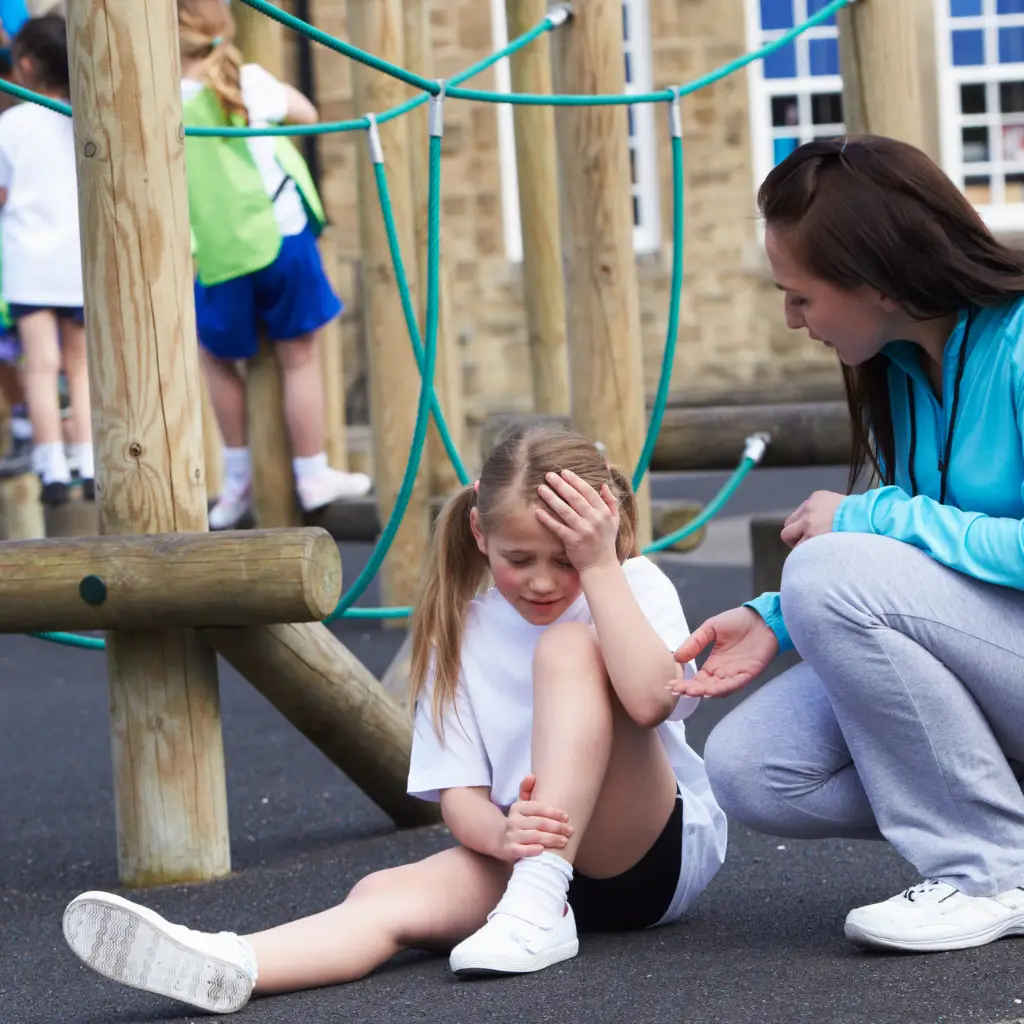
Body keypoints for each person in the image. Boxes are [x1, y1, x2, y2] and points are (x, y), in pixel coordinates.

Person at [59, 424, 727, 1014]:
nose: (545, 582)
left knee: (569, 648)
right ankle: (230, 962)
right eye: (520, 559)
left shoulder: (631, 584)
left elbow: (650, 701)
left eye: (566, 560)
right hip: (521, 861)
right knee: (383, 894)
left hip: (640, 857)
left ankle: (542, 901)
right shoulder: (460, 630)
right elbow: (460, 798)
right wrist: (502, 836)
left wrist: (602, 564)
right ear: (479, 532)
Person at [669, 134, 1024, 955]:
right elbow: (916, 573)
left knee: (830, 561)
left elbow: (876, 544)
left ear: (877, 283)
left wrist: (874, 519)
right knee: (754, 767)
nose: (792, 320)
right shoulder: (901, 367)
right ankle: (995, 839)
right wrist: (775, 617)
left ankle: (991, 867)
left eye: (800, 297)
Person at [178, 0, 370, 529]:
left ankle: (237, 475)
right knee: (299, 357)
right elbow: (307, 114)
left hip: (219, 250)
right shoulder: (247, 78)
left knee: (217, 359)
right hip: (282, 234)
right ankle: (312, 471)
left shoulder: (162, 98)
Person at [0, 14, 92, 504]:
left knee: (40, 366)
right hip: (73, 260)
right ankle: (87, 456)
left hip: (30, 262)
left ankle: (51, 464)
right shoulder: (83, 118)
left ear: (26, 65)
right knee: (78, 365)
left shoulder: (11, 125)